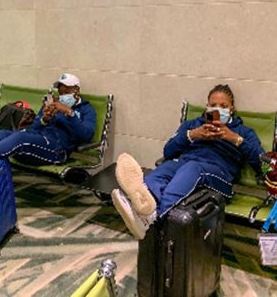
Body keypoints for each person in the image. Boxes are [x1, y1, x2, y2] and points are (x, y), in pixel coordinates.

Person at [111, 84, 264, 239]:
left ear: (232, 109)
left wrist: (234, 138)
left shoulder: (244, 131)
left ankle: (153, 219)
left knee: (192, 168)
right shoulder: (192, 125)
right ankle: (143, 208)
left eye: (223, 106)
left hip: (220, 177)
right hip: (183, 165)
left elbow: (262, 164)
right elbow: (168, 151)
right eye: (213, 106)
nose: (218, 110)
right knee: (162, 171)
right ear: (207, 107)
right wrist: (192, 135)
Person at [0, 73, 96, 179]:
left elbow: (86, 134)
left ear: (76, 90)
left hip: (56, 150)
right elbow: (34, 129)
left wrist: (69, 112)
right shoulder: (52, 104)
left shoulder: (87, 110)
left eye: (66, 91)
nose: (62, 95)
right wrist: (44, 119)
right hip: (37, 142)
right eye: (60, 91)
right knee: (5, 133)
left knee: (20, 138)